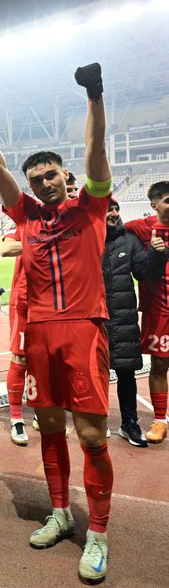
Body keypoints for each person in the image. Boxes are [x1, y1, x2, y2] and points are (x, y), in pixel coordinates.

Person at [0, 62, 114, 584]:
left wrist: (94, 97)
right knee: (50, 428)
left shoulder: (91, 208)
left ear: (65, 176)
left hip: (82, 327)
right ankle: (60, 513)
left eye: (51, 175)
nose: (44, 184)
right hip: (38, 333)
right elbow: (1, 176)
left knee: (91, 432)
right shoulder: (26, 217)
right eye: (36, 180)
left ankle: (96, 534)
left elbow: (97, 152)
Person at [103, 198, 165, 446]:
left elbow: (146, 273)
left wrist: (157, 254)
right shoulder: (84, 238)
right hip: (93, 318)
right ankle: (97, 421)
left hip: (123, 319)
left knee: (126, 373)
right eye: (109, 209)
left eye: (117, 208)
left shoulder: (129, 240)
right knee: (93, 375)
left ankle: (129, 424)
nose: (115, 213)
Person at [124, 180, 169, 444]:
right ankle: (160, 421)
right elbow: (107, 230)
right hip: (159, 311)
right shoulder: (140, 228)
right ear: (154, 204)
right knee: (160, 364)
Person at [1, 225, 31, 445]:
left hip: (57, 304)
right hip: (26, 301)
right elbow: (7, 248)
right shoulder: (26, 220)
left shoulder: (69, 221)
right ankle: (16, 418)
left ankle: (41, 410)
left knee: (49, 359)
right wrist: (43, 243)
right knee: (20, 358)